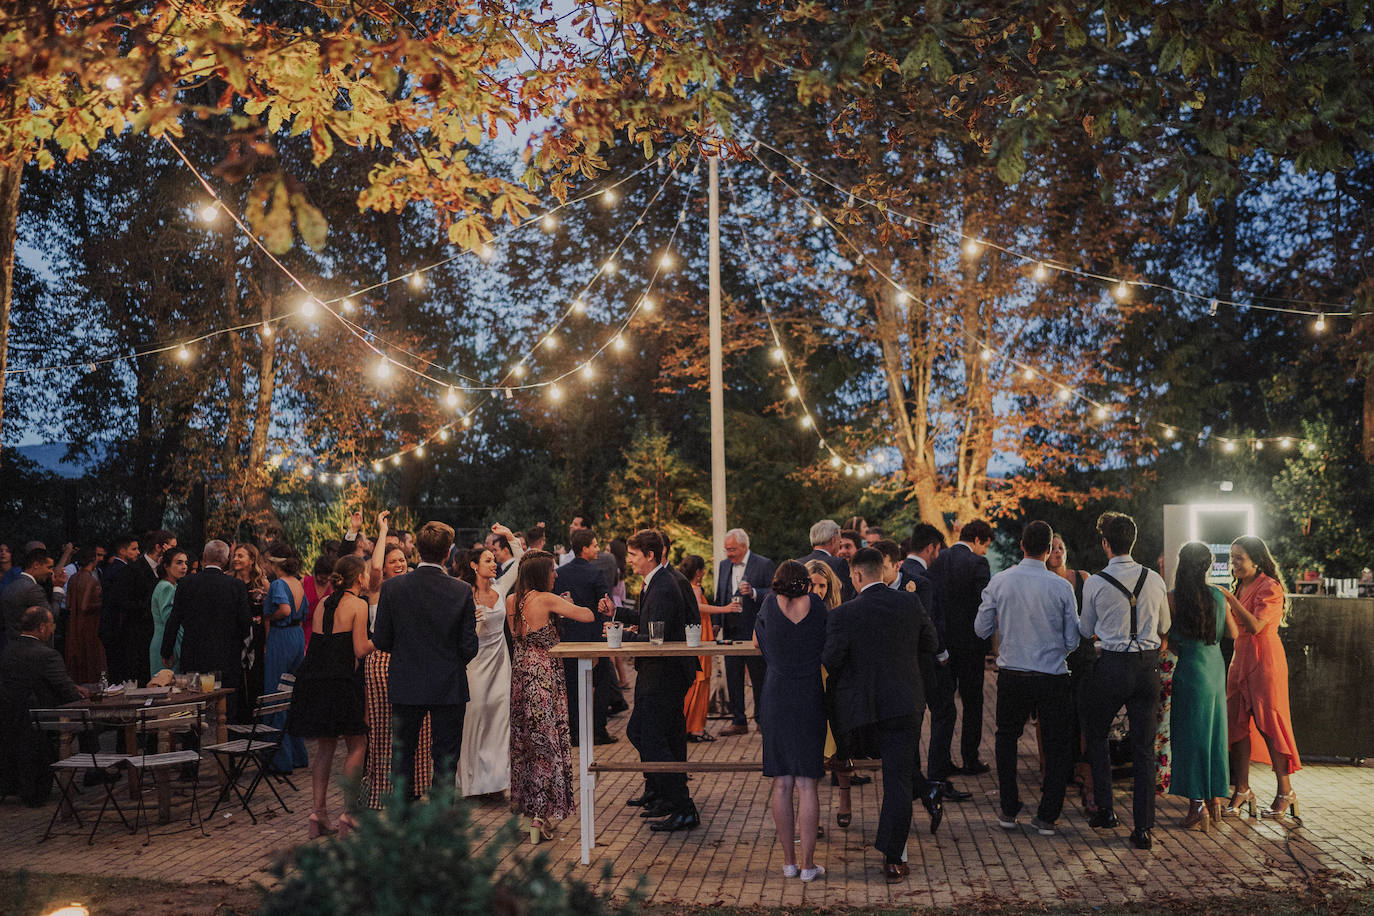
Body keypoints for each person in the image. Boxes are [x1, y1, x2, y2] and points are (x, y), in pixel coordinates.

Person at [823, 547, 934, 883]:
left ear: (856, 575)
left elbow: (831, 659)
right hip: (904, 704)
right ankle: (893, 857)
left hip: (863, 713)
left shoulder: (844, 614)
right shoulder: (910, 603)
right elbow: (931, 642)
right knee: (898, 782)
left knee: (854, 760)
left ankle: (844, 770)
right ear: (882, 572)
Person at [974, 521, 1080, 836]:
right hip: (1052, 676)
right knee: (1057, 744)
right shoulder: (1062, 587)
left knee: (1006, 739)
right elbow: (1073, 640)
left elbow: (980, 629)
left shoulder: (1001, 581)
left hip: (1012, 673)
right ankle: (1048, 815)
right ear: (1049, 550)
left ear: (1022, 545)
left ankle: (1008, 808)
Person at [1079, 511, 1170, 850]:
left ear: (1105, 543)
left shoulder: (1096, 582)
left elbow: (1085, 630)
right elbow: (1165, 626)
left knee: (1096, 731)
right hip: (1147, 668)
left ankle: (1106, 809)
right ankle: (1143, 828)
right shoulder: (1155, 580)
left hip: (1113, 665)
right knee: (1144, 748)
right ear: (1133, 541)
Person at [372, 521, 479, 796]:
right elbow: (469, 646)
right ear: (447, 554)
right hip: (449, 682)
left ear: (417, 551)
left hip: (406, 680)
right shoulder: (461, 591)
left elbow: (381, 640)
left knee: (403, 754)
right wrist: (450, 662)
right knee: (445, 757)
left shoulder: (393, 588)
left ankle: (404, 817)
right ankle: (440, 819)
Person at [508, 550, 602, 841]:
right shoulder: (546, 599)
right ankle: (540, 816)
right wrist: (568, 605)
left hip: (521, 671)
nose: (556, 574)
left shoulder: (512, 600)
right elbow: (587, 616)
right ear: (540, 573)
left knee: (527, 739)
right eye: (551, 569)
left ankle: (531, 808)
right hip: (544, 673)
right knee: (547, 741)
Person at [286, 555, 372, 837]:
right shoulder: (358, 604)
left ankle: (318, 812)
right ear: (359, 578)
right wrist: (382, 637)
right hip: (341, 681)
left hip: (314, 678)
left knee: (325, 747)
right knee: (357, 744)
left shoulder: (324, 602)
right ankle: (349, 813)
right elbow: (359, 649)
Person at [621, 529, 700, 832]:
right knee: (647, 734)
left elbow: (660, 638)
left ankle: (683, 805)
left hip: (664, 674)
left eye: (633, 555)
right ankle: (670, 797)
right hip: (656, 672)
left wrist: (627, 636)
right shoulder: (656, 583)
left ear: (649, 555)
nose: (629, 561)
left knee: (650, 737)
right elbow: (650, 626)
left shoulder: (666, 585)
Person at [754, 560, 827, 882]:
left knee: (781, 782)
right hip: (809, 691)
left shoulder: (770, 605)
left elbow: (757, 643)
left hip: (776, 693)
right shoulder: (818, 606)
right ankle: (809, 865)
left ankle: (788, 862)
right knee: (806, 782)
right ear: (806, 583)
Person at [1221, 535, 1301, 821]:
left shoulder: (1270, 586)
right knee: (1237, 724)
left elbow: (1255, 625)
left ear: (1256, 559)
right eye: (1232, 558)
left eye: (1239, 557)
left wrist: (1229, 598)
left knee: (1270, 724)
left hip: (1264, 660)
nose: (1234, 563)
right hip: (1239, 659)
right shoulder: (1241, 585)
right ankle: (1242, 789)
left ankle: (1285, 791)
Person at [1166, 541, 1234, 831]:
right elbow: (1232, 632)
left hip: (1190, 668)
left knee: (1190, 737)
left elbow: (1166, 637)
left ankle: (1197, 806)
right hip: (1215, 667)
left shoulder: (1174, 598)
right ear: (1207, 566)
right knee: (1214, 735)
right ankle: (1215, 800)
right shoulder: (1218, 595)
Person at [456, 524, 522, 798]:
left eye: (494, 560)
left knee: (499, 719)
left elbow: (520, 561)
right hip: (474, 665)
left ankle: (496, 782)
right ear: (473, 565)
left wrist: (509, 536)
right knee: (474, 719)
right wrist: (470, 625)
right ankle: (471, 783)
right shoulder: (461, 593)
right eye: (488, 560)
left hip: (499, 663)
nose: (494, 564)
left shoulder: (501, 586)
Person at [898, 524, 963, 797]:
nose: (938, 555)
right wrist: (942, 653)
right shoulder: (924, 577)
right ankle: (937, 776)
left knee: (913, 717)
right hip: (928, 660)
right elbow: (930, 620)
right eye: (937, 550)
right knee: (945, 712)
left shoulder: (901, 574)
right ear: (930, 547)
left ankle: (913, 776)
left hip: (903, 658)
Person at [0, 606, 90, 805]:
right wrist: (82, 694)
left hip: (10, 720)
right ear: (41, 628)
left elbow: (29, 680)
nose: (53, 630)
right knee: (90, 722)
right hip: (41, 721)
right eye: (51, 625)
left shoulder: (8, 651)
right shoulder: (47, 654)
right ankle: (95, 772)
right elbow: (67, 692)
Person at [926, 519, 994, 776]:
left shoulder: (939, 559)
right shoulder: (978, 564)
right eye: (985, 545)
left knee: (944, 706)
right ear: (977, 540)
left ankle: (941, 758)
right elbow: (984, 603)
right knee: (973, 703)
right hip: (970, 644)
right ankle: (970, 757)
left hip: (943, 643)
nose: (985, 551)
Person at [160, 540, 252, 722]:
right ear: (226, 560)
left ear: (203, 558)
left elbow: (174, 619)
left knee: (192, 704)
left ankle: (192, 746)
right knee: (227, 706)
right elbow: (245, 623)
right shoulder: (236, 586)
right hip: (227, 655)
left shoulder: (186, 583)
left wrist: (166, 650)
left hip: (194, 653)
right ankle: (227, 744)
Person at [552, 526, 617, 746]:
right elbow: (605, 603)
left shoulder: (561, 572)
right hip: (592, 636)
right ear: (584, 548)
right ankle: (598, 729)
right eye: (595, 545)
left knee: (571, 684)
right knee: (601, 681)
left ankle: (574, 732)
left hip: (568, 636)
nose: (597, 549)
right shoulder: (595, 573)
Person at [1046, 533, 1097, 813]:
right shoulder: (1043, 582)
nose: (1057, 552)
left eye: (1061, 548)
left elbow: (1094, 613)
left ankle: (1086, 777)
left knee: (1085, 714)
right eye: (1052, 548)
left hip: (1083, 653)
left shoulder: (1083, 577)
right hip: (1056, 656)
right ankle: (1063, 770)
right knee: (1060, 716)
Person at [806, 559, 854, 826]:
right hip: (810, 680)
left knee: (839, 742)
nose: (817, 590)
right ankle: (813, 818)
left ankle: (845, 800)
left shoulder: (839, 610)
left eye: (822, 585)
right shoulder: (798, 608)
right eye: (813, 584)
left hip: (835, 680)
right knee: (812, 746)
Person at [714, 528, 775, 737]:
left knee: (759, 677)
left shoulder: (764, 564)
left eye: (732, 550)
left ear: (744, 546)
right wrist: (716, 622)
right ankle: (738, 721)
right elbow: (719, 594)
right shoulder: (723, 565)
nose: (729, 554)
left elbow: (775, 593)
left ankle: (761, 719)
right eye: (727, 550)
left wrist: (755, 592)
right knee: (733, 676)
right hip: (730, 631)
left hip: (754, 631)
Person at [262, 543, 310, 772]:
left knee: (275, 695)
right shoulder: (298, 583)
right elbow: (302, 612)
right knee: (292, 694)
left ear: (274, 564)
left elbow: (285, 609)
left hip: (281, 637)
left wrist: (266, 616)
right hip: (297, 636)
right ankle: (298, 753)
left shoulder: (279, 583)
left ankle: (279, 759)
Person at [107, 530, 175, 687]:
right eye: (172, 547)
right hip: (137, 636)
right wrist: (148, 607)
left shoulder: (164, 570)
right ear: (160, 547)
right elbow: (121, 601)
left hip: (155, 634)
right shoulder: (132, 569)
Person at [675, 555, 718, 742]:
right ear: (699, 572)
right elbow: (700, 609)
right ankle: (694, 727)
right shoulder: (695, 589)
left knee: (698, 683)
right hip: (700, 640)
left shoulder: (685, 587)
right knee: (700, 682)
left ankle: (691, 726)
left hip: (702, 637)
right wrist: (727, 609)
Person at [231, 542, 270, 714]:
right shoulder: (230, 581)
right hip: (235, 635)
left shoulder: (262, 583)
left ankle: (254, 716)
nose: (236, 559)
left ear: (252, 559)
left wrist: (267, 642)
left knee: (255, 676)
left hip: (256, 635)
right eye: (235, 556)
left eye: (240, 556)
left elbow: (267, 616)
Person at [2, 548, 67, 644]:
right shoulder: (33, 589)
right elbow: (51, 616)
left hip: (11, 645)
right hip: (30, 648)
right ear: (36, 565)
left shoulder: (10, 586)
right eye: (49, 567)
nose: (51, 572)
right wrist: (58, 588)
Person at [64, 547, 106, 684]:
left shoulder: (73, 579)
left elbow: (69, 604)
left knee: (77, 662)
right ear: (93, 560)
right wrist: (101, 604)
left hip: (73, 626)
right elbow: (84, 606)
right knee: (91, 660)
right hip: (89, 626)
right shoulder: (91, 580)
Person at [149, 547, 188, 675]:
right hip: (167, 643)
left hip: (170, 641)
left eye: (185, 563)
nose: (184, 566)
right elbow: (170, 621)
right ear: (166, 566)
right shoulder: (166, 587)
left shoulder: (174, 585)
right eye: (179, 562)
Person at [801, 520, 855, 602]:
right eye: (839, 542)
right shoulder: (839, 563)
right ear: (833, 541)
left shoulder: (798, 563)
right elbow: (847, 596)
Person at [302, 554, 336, 650]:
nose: (323, 580)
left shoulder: (333, 587)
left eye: (326, 578)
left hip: (325, 633)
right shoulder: (305, 582)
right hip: (304, 631)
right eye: (321, 577)